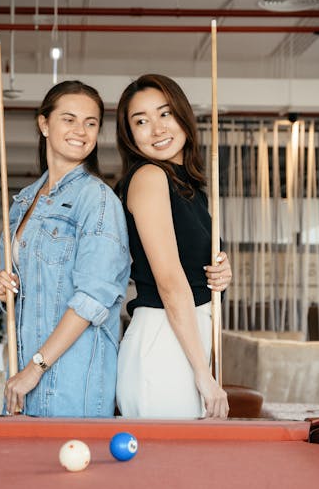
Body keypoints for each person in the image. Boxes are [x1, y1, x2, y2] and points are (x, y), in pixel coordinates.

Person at [0, 80, 130, 418]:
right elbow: (33, 287)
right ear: (44, 124)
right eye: (68, 119)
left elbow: (93, 298)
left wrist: (36, 367)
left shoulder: (97, 200)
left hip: (73, 383)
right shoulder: (23, 202)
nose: (80, 130)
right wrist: (3, 286)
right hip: (22, 377)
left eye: (91, 122)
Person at [114, 74, 233, 419]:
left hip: (185, 339)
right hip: (164, 342)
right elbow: (169, 281)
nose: (156, 129)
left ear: (182, 115)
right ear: (130, 135)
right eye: (141, 121)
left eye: (164, 114)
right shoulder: (150, 178)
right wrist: (202, 371)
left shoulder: (190, 187)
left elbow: (190, 270)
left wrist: (219, 275)